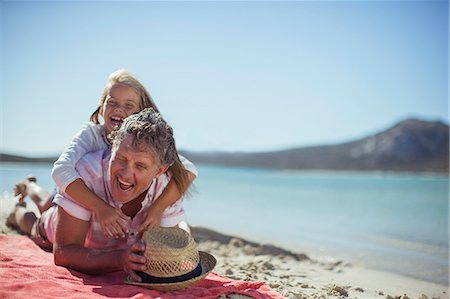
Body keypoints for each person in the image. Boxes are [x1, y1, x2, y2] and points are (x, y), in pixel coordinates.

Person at [14, 69, 197, 238]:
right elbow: (61, 170)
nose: (119, 109)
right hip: (76, 184)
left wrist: (158, 208)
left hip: (96, 190)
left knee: (47, 206)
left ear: (139, 114)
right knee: (47, 207)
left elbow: (187, 169)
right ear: (102, 107)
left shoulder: (144, 146)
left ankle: (30, 186)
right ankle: (23, 201)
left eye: (128, 105)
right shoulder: (91, 135)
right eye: (112, 102)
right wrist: (100, 208)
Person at [7, 108, 185, 280]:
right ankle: (18, 209)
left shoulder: (166, 190)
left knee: (47, 201)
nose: (125, 173)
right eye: (121, 158)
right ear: (113, 146)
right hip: (50, 230)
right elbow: (63, 252)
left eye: (140, 166)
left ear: (160, 170)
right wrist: (119, 259)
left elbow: (168, 251)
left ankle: (29, 186)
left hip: (99, 237)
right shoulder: (88, 173)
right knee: (34, 224)